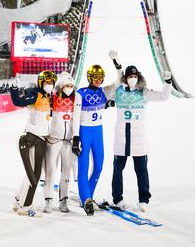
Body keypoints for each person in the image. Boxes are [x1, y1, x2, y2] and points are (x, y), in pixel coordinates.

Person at [108, 50, 172, 212]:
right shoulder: (119, 92)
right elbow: (111, 85)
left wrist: (168, 82)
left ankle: (144, 199)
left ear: (139, 78)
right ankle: (118, 198)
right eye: (130, 77)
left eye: (135, 77)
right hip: (121, 136)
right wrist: (117, 63)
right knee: (117, 168)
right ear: (125, 78)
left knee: (141, 169)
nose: (132, 79)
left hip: (138, 137)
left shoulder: (143, 92)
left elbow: (163, 97)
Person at [71, 62, 120, 215]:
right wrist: (75, 138)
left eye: (100, 78)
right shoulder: (80, 92)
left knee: (98, 166)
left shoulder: (103, 92)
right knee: (83, 168)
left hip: (98, 132)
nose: (98, 80)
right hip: (84, 132)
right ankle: (86, 199)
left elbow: (119, 81)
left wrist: (118, 66)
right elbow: (76, 116)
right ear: (89, 77)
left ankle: (87, 198)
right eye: (95, 77)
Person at [11, 70, 56, 217]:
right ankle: (26, 206)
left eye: (51, 82)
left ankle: (19, 201)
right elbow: (18, 101)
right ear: (41, 82)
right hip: (31, 138)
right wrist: (14, 89)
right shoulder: (36, 94)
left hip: (41, 139)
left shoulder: (48, 97)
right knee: (34, 175)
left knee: (31, 174)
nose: (49, 85)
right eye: (47, 82)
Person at [44, 72, 76, 214]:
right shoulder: (55, 97)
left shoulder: (76, 99)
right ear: (61, 86)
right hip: (54, 139)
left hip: (68, 141)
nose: (68, 88)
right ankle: (48, 200)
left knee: (66, 172)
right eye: (66, 86)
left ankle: (63, 200)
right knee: (50, 170)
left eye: (71, 86)